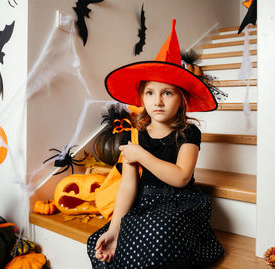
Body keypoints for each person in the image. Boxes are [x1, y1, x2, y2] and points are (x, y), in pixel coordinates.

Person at [87, 19, 224, 269]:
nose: (157, 101)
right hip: (143, 201)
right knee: (99, 239)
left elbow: (182, 177)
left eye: (167, 93)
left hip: (179, 201)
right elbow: (128, 185)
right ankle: (119, 239)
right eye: (150, 92)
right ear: (142, 97)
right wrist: (116, 228)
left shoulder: (188, 133)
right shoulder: (135, 135)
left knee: (160, 230)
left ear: (181, 99)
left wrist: (141, 155)